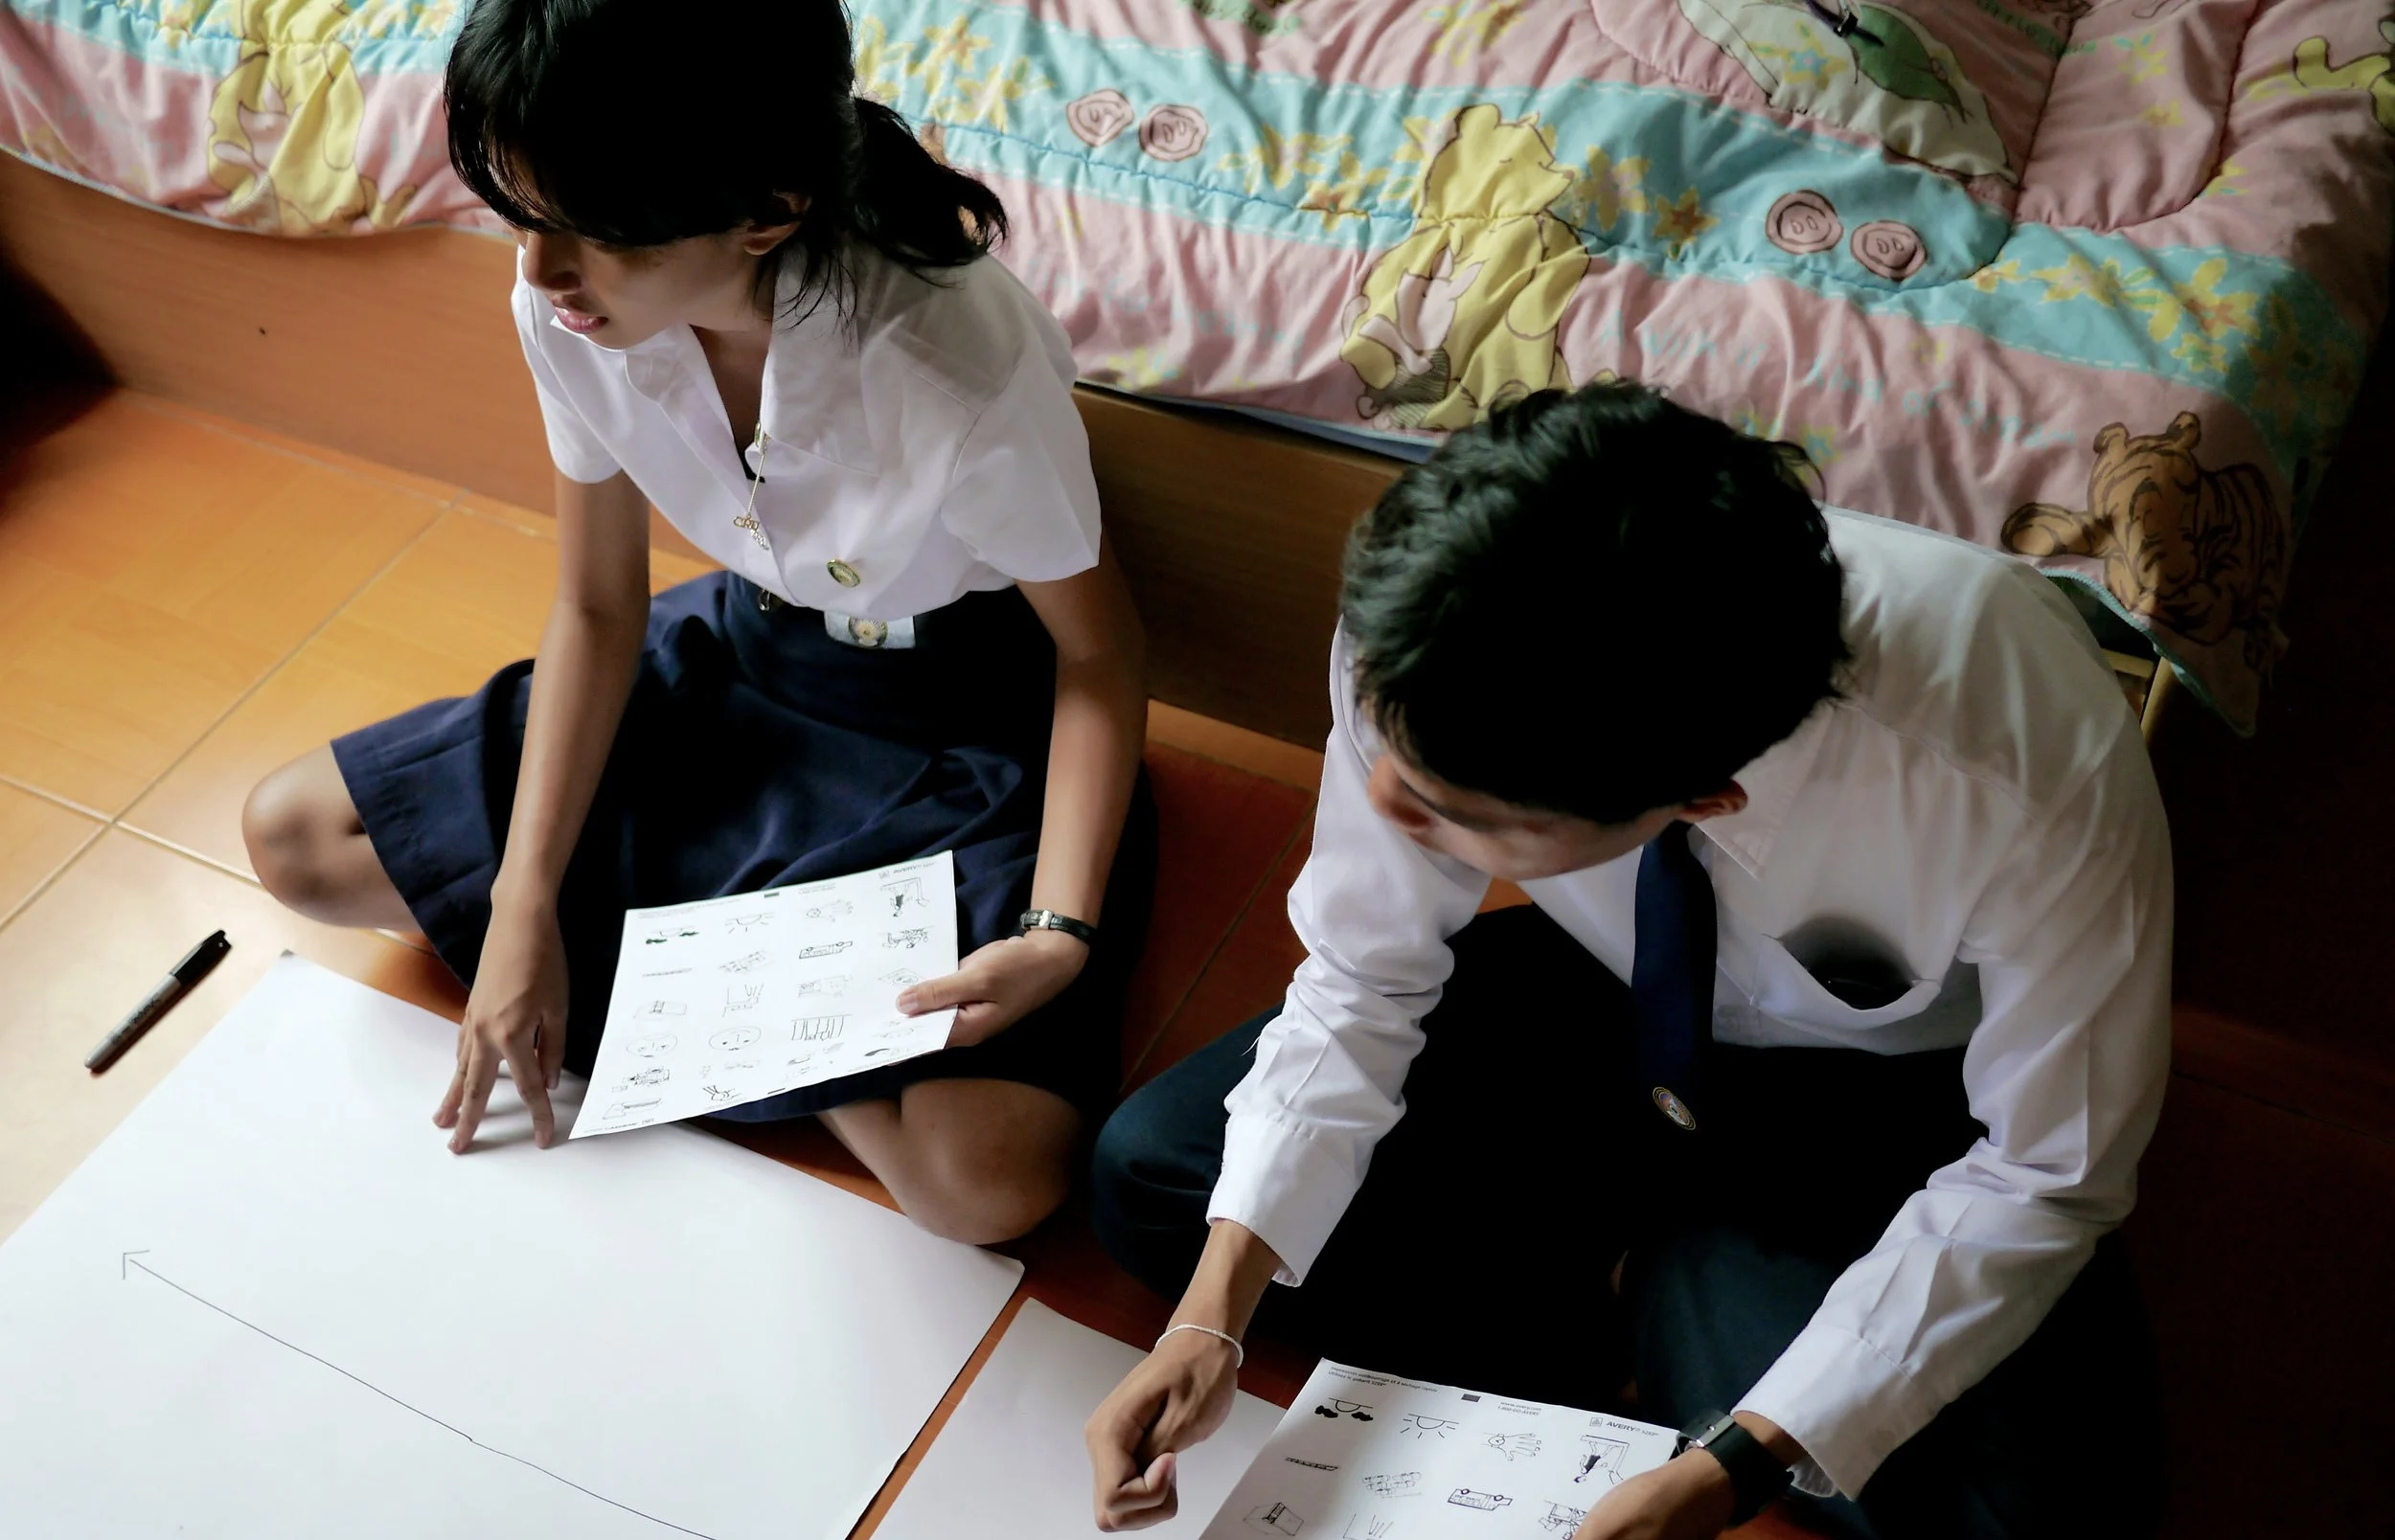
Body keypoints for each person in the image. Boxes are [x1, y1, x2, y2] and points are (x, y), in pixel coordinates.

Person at [1083, 384, 2169, 1538]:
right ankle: (1609, 1335)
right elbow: (1365, 975)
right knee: (1158, 1181)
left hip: (1868, 1096)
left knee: (2021, 1522)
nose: (1380, 800)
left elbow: (2045, 1172)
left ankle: (1667, 1302)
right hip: (1596, 990)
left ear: (1701, 801)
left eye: (1453, 812)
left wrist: (1730, 1469)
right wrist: (1208, 1320)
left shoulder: (2009, 753)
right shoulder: (1426, 616)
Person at [241, 0, 1152, 1247]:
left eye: (591, 232)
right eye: (521, 216)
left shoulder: (951, 365)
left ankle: (689, 994)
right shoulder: (570, 303)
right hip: (741, 663)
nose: (539, 271)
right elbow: (597, 601)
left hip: (954, 728)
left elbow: (1099, 654)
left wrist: (1058, 932)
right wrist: (521, 910)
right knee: (297, 837)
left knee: (984, 1180)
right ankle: (732, 997)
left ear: (765, 212)